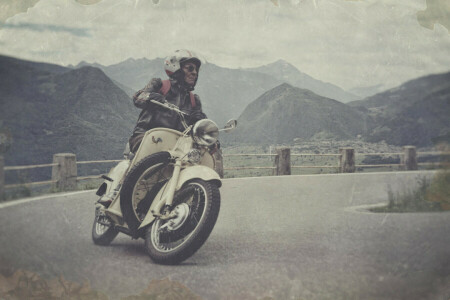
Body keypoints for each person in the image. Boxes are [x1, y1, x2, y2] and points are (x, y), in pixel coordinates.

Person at [128, 49, 207, 154]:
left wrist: (201, 122)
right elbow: (137, 97)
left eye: (196, 69)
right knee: (147, 157)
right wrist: (151, 97)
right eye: (190, 68)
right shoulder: (159, 85)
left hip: (178, 143)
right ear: (176, 68)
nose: (194, 73)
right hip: (146, 136)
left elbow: (200, 130)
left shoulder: (194, 100)